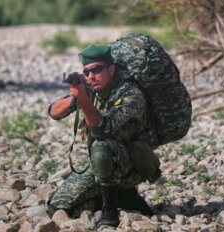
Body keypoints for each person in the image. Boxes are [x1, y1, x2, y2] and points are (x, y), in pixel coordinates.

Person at [47, 45, 159, 228]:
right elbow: (53, 112)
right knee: (57, 207)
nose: (92, 76)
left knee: (101, 146)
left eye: (97, 70)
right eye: (87, 72)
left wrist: (83, 99)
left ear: (111, 69)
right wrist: (76, 96)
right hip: (102, 165)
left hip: (131, 165)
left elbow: (102, 129)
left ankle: (110, 209)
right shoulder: (91, 89)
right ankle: (124, 198)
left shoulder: (131, 94)